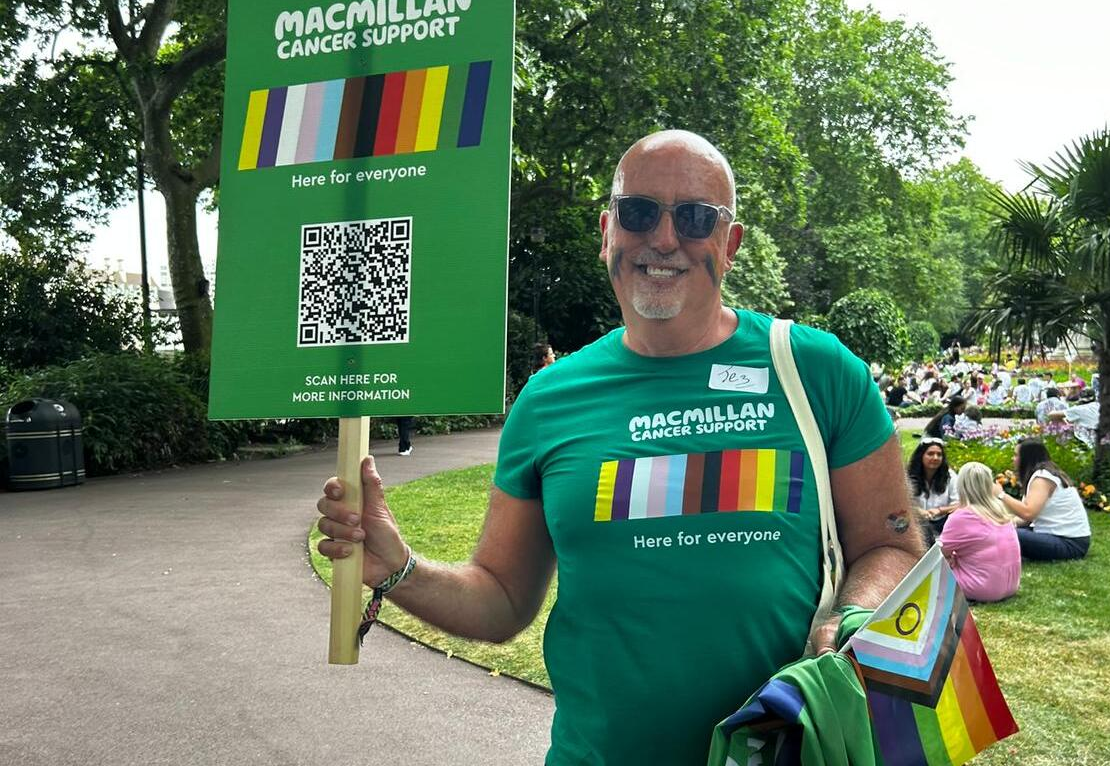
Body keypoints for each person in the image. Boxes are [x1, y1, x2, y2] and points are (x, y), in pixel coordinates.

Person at [315, 131, 926, 765]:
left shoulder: (818, 371)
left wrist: (855, 617)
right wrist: (397, 569)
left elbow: (891, 545)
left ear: (730, 243)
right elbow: (500, 599)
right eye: (639, 212)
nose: (664, 239)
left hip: (787, 754)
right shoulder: (549, 399)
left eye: (695, 218)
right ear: (609, 231)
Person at [938, 462, 1020, 602]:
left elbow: (939, 555)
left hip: (983, 588)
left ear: (961, 486)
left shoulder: (962, 516)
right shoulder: (1000, 510)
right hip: (1011, 584)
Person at [1000, 438, 1091, 561]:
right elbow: (1027, 518)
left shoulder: (1042, 478)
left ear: (1027, 458)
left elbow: (1028, 513)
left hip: (1070, 543)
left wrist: (1001, 495)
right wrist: (1006, 522)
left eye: (1016, 455)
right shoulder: (1041, 475)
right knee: (1003, 529)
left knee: (1008, 533)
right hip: (1060, 537)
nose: (1013, 458)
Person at [906, 437, 958, 542]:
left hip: (944, 523)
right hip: (917, 523)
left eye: (939, 455)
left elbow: (959, 503)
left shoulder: (950, 476)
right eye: (930, 454)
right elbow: (902, 501)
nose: (935, 458)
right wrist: (918, 511)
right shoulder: (908, 475)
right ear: (921, 456)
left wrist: (939, 511)